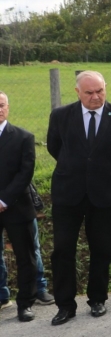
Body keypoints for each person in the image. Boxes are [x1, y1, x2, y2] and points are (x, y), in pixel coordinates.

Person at [48, 71, 111, 325]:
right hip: (67, 193)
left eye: (100, 91)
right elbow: (55, 147)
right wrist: (76, 169)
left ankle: (97, 299)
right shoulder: (61, 116)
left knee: (102, 249)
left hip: (102, 193)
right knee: (63, 249)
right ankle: (65, 305)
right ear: (78, 92)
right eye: (89, 93)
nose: (96, 97)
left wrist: (102, 169)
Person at [0, 92, 41, 321]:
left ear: (8, 107)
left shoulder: (23, 137)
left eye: (2, 105)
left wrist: (3, 200)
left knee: (25, 257)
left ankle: (25, 303)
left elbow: (26, 172)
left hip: (16, 206)